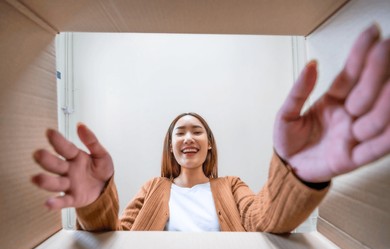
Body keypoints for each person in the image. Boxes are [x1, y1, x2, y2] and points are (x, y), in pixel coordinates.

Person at [32, 24, 390, 233]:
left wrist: (300, 176)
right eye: (180, 132)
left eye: (197, 131)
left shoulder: (231, 187)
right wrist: (94, 203)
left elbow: (263, 219)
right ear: (170, 147)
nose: (188, 137)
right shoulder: (153, 188)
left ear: (210, 146)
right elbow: (117, 240)